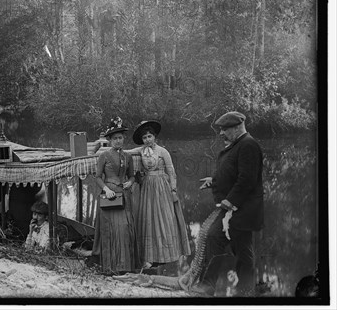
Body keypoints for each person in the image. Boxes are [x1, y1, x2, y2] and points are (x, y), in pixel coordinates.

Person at [192, 111, 264, 297]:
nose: (221, 133)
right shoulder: (239, 144)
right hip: (237, 209)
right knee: (242, 249)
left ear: (237, 127)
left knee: (216, 237)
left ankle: (209, 285)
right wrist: (214, 181)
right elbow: (232, 173)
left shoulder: (248, 145)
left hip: (241, 209)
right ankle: (245, 290)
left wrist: (230, 200)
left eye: (225, 129)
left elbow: (247, 180)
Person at [134, 120, 191, 269]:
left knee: (163, 217)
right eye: (145, 137)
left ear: (155, 137)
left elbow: (171, 171)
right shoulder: (141, 151)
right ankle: (150, 256)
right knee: (148, 218)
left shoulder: (162, 151)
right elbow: (126, 153)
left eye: (149, 136)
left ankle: (166, 254)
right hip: (147, 186)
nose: (147, 140)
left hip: (161, 187)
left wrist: (173, 189)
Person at [92, 117, 137, 275]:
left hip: (124, 196)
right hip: (109, 198)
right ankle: (109, 267)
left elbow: (132, 176)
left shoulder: (128, 157)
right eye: (115, 138)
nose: (118, 141)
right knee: (110, 231)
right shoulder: (104, 156)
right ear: (110, 140)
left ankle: (125, 266)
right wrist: (106, 189)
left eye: (121, 138)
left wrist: (130, 182)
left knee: (124, 229)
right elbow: (97, 177)